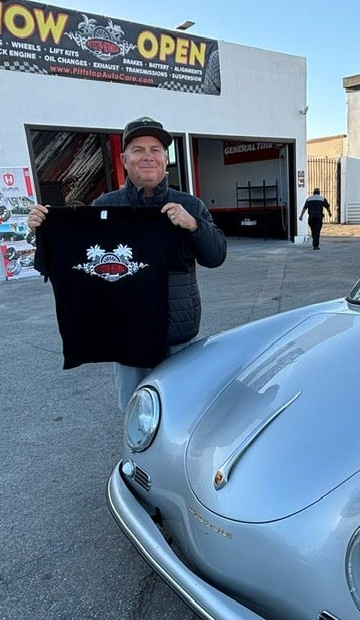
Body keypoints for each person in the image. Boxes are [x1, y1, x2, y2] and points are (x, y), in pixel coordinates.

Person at [29, 116, 227, 409]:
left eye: (156, 149)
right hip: (126, 330)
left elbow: (216, 256)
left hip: (178, 332)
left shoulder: (189, 205)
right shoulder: (104, 206)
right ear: (124, 159)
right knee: (138, 407)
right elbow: (76, 261)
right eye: (138, 149)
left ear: (165, 159)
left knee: (183, 406)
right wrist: (45, 232)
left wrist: (194, 225)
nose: (148, 156)